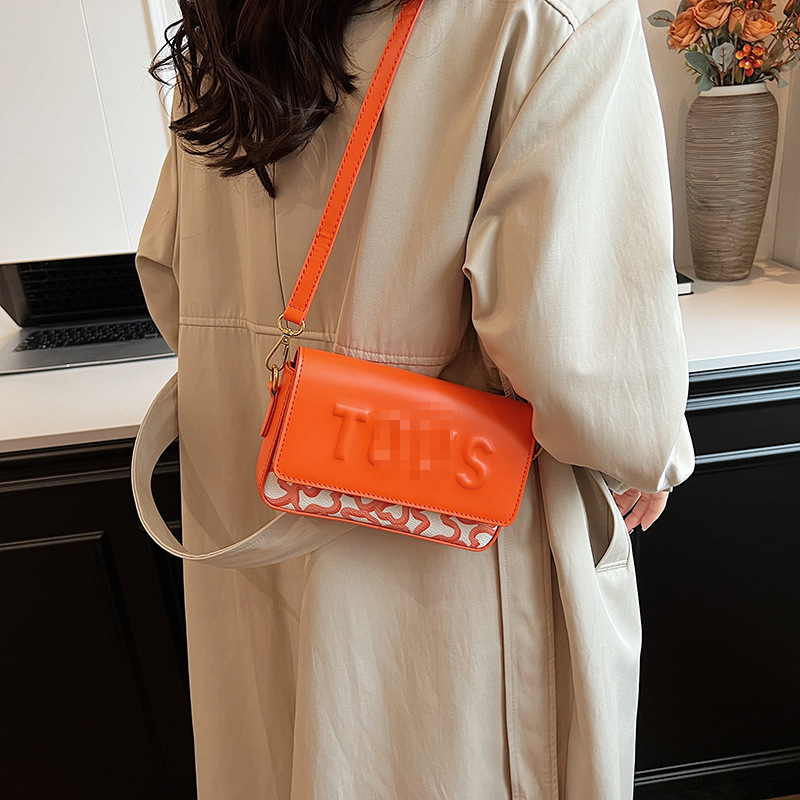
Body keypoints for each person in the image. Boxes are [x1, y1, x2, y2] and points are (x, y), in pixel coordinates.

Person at [135, 0, 694, 796]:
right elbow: (576, 354)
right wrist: (644, 449)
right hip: (452, 554)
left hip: (247, 513)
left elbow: (169, 281)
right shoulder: (545, 13)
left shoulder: (224, 29)